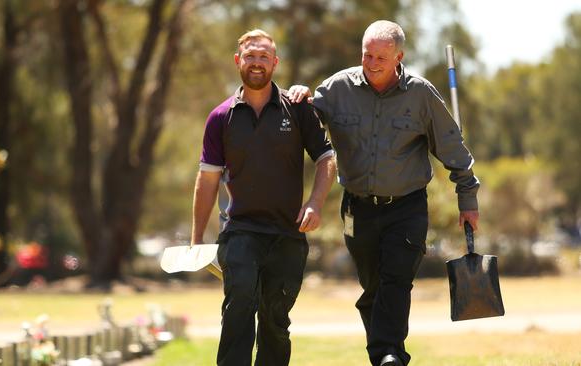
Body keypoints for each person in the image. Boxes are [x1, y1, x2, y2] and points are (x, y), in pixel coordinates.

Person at [288, 20, 480, 366]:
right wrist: (300, 95)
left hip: (407, 207)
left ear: (399, 57)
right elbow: (304, 124)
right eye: (367, 55)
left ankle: (388, 355)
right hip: (357, 210)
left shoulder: (421, 94)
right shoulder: (336, 89)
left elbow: (453, 148)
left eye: (381, 57)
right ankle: (385, 352)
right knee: (373, 290)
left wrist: (467, 200)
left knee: (396, 280)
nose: (372, 63)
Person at [191, 29, 337, 366]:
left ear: (275, 62)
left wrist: (315, 202)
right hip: (240, 229)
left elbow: (327, 159)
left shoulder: (298, 109)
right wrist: (197, 238)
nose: (256, 63)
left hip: (288, 234)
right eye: (250, 56)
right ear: (238, 60)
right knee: (240, 301)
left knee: (275, 320)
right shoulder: (220, 118)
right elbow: (208, 179)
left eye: (263, 57)